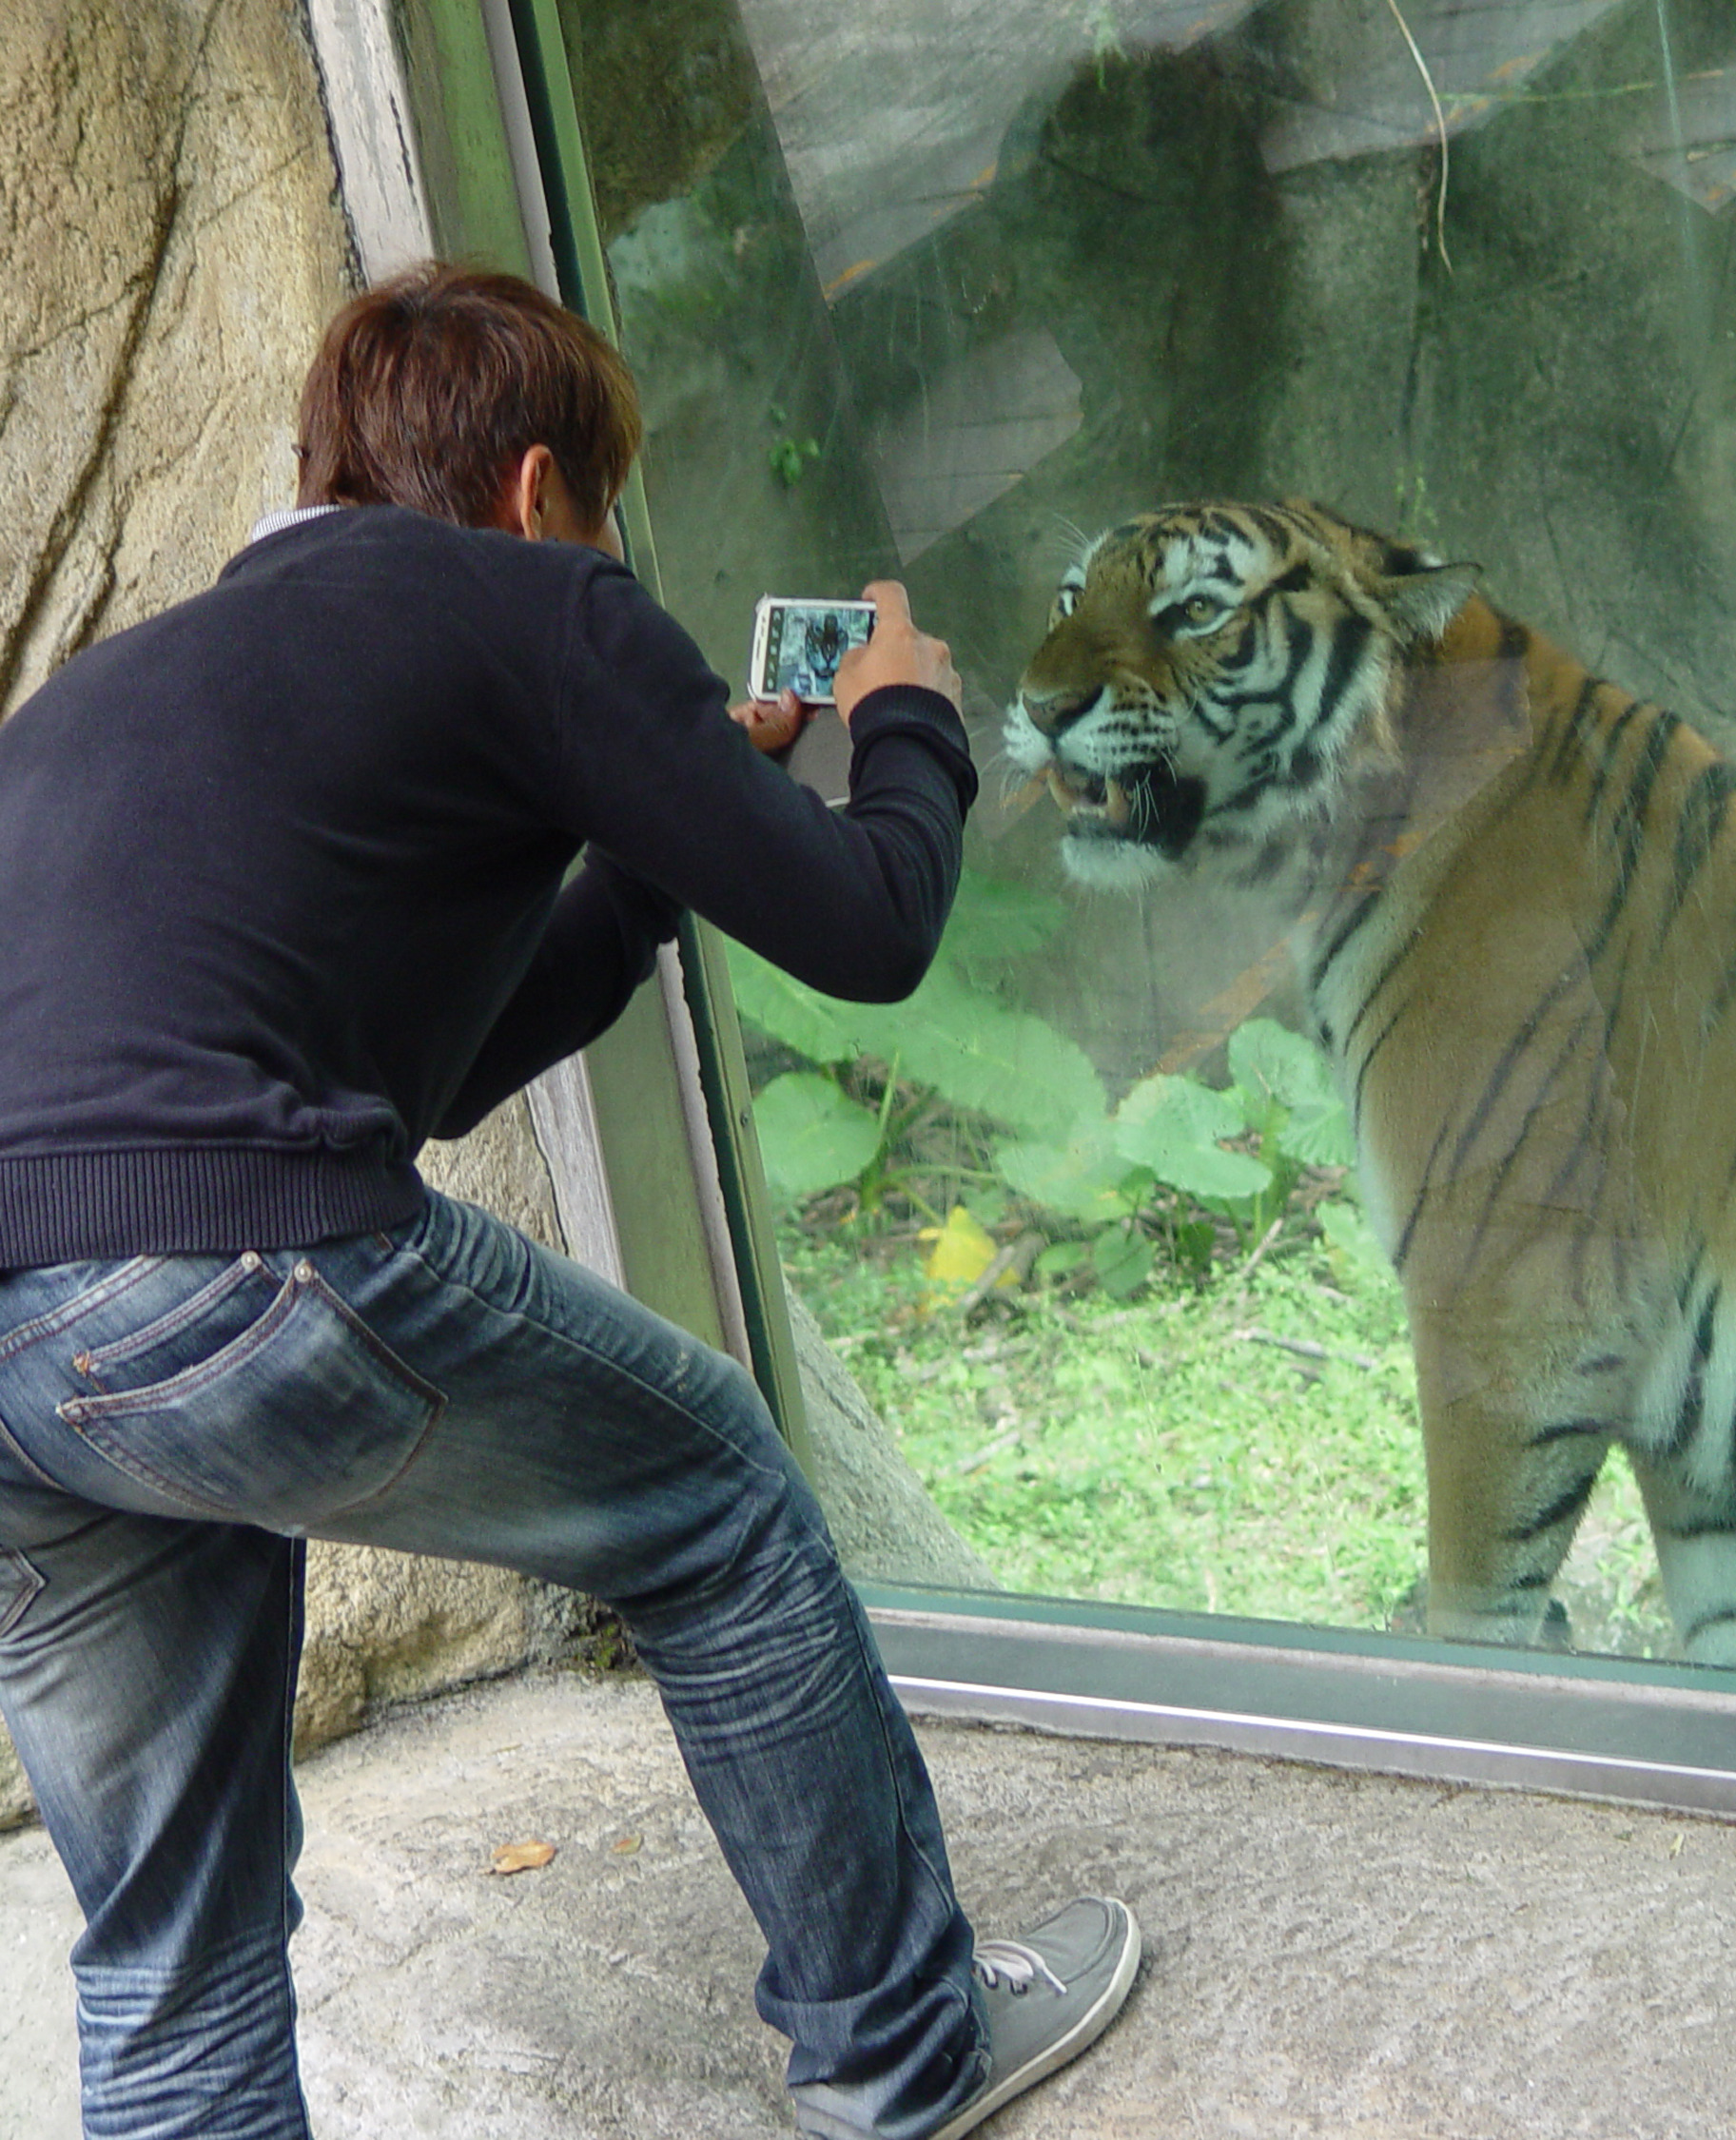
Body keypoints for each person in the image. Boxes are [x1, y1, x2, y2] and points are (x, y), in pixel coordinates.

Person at [0, 262, 1138, 2140]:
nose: (599, 553)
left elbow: (423, 1084)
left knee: (171, 1946)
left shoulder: (129, 685)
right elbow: (869, 929)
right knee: (714, 1503)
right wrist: (905, 719)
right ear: (541, 492)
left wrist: (658, 842)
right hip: (216, 1262)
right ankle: (904, 2050)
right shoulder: (534, 600)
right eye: (599, 515)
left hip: (27, 1364)